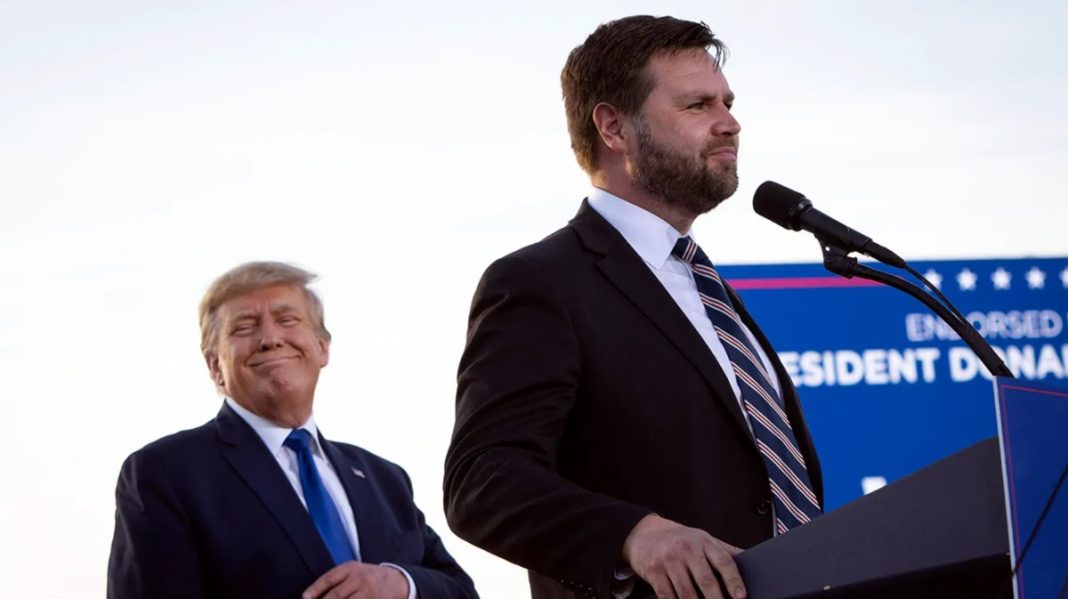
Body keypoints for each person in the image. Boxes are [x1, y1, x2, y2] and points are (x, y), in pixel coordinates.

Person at [443, 15, 822, 599]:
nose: (730, 123)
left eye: (727, 101)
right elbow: (483, 480)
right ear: (614, 127)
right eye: (698, 106)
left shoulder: (705, 288)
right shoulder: (541, 283)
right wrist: (634, 535)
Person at [108, 262, 477, 599]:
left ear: (322, 347)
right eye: (244, 327)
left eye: (287, 320)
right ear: (214, 365)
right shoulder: (166, 473)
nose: (270, 337)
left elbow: (461, 592)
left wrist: (401, 583)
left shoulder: (384, 479)